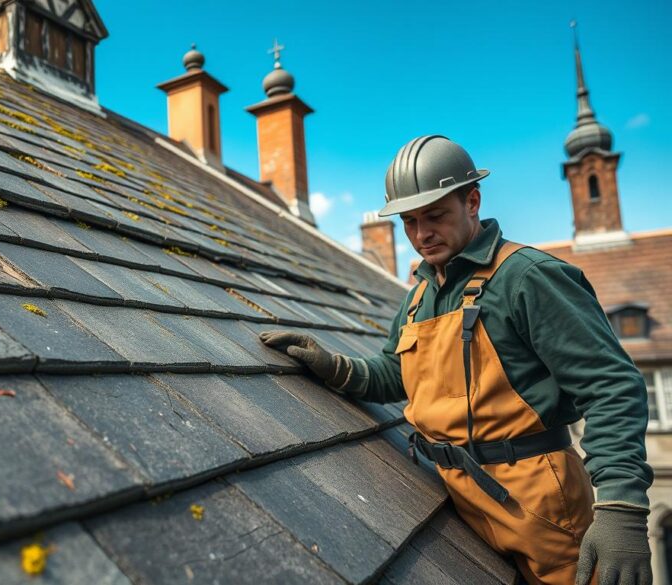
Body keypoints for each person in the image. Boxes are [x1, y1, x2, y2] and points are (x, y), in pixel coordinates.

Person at [261, 135, 653, 585]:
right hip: (458, 494)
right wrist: (339, 368)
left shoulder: (527, 278)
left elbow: (612, 386)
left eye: (434, 216)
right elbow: (398, 373)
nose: (421, 234)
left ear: (472, 201)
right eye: (409, 221)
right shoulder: (420, 296)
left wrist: (622, 506)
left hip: (540, 506)